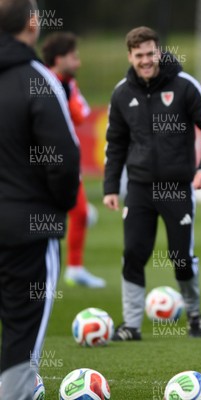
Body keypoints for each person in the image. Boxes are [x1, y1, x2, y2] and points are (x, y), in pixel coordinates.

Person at [103, 26, 201, 341]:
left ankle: (193, 313)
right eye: (139, 55)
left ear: (159, 51)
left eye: (150, 53)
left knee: (181, 257)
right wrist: (111, 186)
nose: (146, 61)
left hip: (178, 187)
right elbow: (115, 143)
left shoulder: (184, 86)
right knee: (134, 253)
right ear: (130, 56)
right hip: (138, 188)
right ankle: (132, 326)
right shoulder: (122, 93)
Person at [0, 0, 80, 398]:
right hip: (25, 231)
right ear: (33, 24)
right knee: (21, 333)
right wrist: (57, 207)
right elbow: (65, 159)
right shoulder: (36, 79)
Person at [41, 31, 106, 288]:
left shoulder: (68, 83)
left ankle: (75, 268)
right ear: (59, 58)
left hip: (66, 162)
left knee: (80, 212)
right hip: (41, 163)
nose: (78, 63)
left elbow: (81, 115)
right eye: (73, 57)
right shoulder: (40, 81)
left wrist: (67, 96)